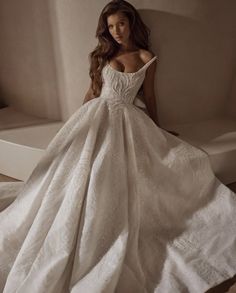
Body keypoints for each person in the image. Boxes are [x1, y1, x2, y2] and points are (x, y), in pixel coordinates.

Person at [0, 0, 235, 292]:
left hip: (128, 118)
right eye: (110, 27)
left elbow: (150, 97)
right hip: (96, 115)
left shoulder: (147, 57)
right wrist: (77, 124)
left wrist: (159, 127)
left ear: (131, 23)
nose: (116, 32)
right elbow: (92, 92)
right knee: (77, 168)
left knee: (121, 170)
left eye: (121, 24)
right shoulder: (102, 55)